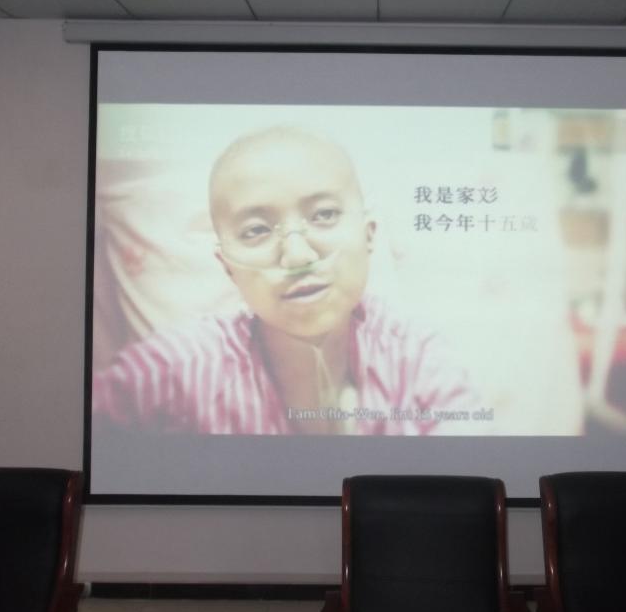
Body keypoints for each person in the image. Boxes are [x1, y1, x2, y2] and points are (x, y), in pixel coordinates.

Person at [92, 127, 477, 435]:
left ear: (369, 234)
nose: (297, 256)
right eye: (257, 230)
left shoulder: (418, 358)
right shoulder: (177, 368)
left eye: (324, 214)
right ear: (227, 266)